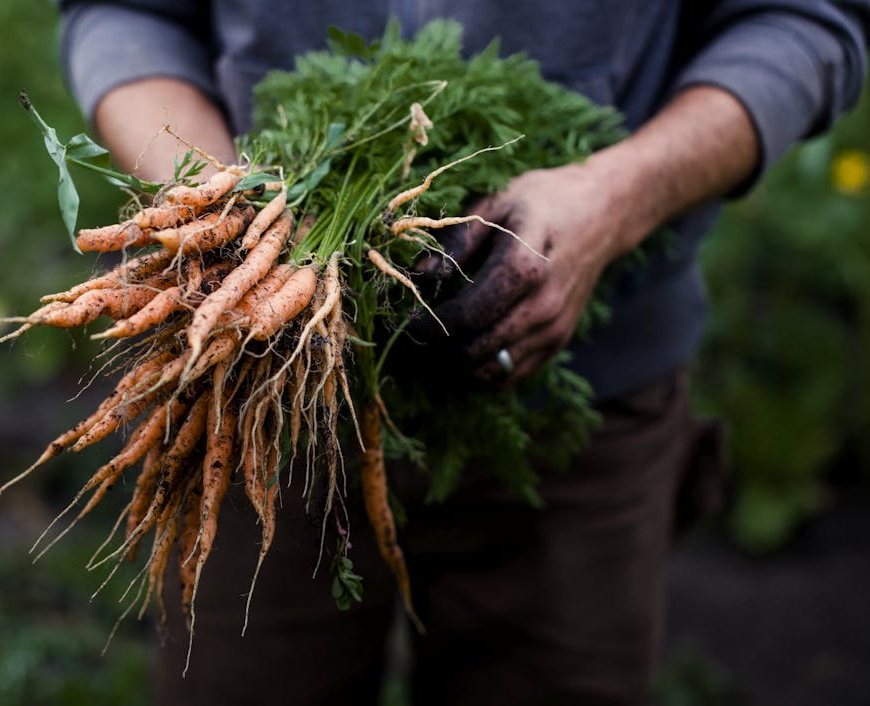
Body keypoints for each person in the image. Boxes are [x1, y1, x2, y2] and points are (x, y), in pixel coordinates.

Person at [57, 2, 869, 704]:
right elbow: (130, 10)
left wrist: (618, 196)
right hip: (258, 384)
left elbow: (805, 18)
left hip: (577, 414)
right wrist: (230, 213)